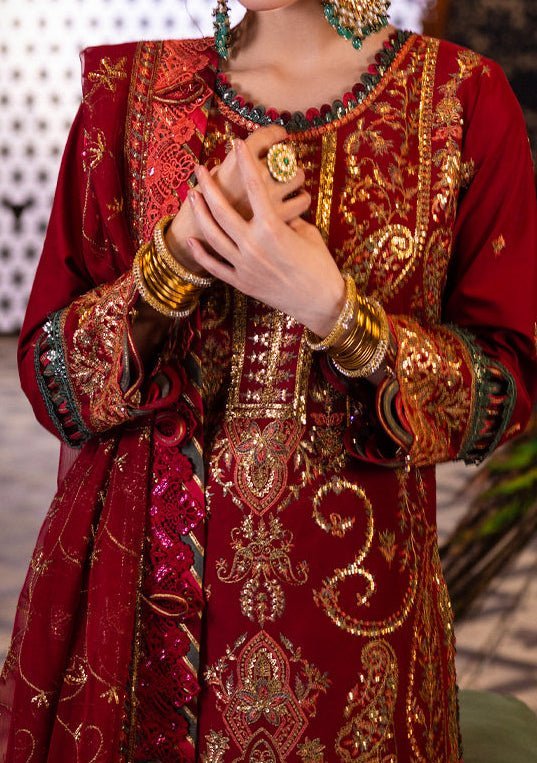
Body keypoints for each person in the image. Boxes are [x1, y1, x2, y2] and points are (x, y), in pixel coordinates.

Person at [1, 0, 536, 760]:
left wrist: (338, 313)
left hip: (354, 640)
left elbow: (502, 391)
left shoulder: (460, 100)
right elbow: (52, 379)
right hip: (138, 626)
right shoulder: (127, 96)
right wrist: (176, 255)